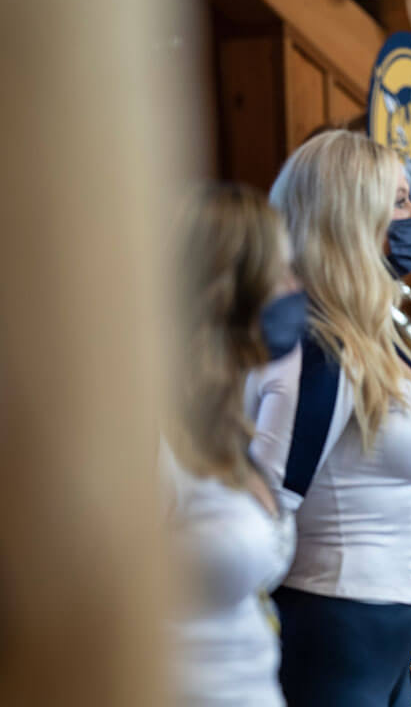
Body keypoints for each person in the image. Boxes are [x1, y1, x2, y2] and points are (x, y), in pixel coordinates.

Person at [265, 130, 411, 707]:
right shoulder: (320, 347)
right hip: (337, 622)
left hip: (389, 629)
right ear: (351, 219)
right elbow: (271, 500)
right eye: (399, 200)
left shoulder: (378, 334)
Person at [166, 183, 305, 706]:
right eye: (282, 273)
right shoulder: (153, 437)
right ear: (230, 290)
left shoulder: (222, 423)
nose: (296, 288)